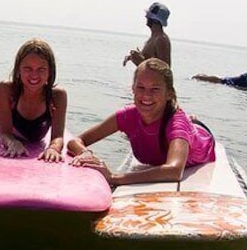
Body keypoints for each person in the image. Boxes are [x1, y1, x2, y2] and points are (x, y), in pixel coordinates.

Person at [68, 58, 215, 186]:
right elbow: (75, 141)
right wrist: (85, 153)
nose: (146, 95)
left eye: (155, 89)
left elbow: (174, 170)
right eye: (141, 87)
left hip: (202, 139)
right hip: (173, 124)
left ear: (169, 94)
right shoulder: (128, 116)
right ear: (132, 88)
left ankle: (192, 121)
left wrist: (114, 177)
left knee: (182, 123)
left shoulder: (176, 124)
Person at [0, 38, 68, 161]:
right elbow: (5, 133)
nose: (34, 75)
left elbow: (58, 137)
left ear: (50, 71)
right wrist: (13, 142)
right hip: (6, 129)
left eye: (41, 69)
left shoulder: (57, 96)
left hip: (35, 136)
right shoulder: (6, 89)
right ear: (18, 69)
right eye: (28, 68)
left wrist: (53, 148)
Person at [123, 2, 171, 68]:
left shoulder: (160, 39)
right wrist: (134, 58)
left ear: (155, 20)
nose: (146, 17)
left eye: (148, 16)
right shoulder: (153, 38)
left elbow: (165, 70)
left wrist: (140, 61)